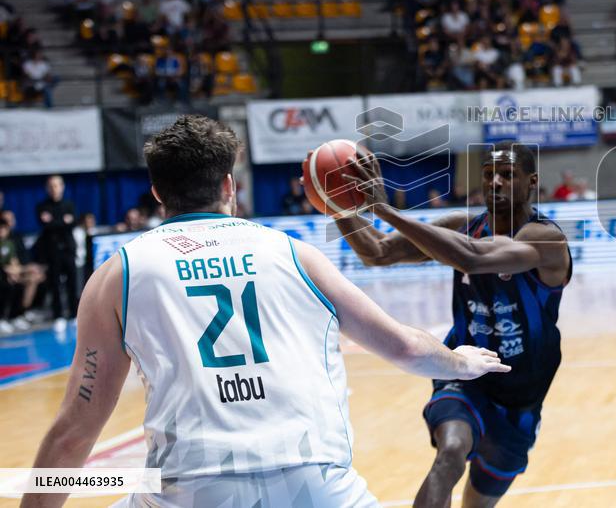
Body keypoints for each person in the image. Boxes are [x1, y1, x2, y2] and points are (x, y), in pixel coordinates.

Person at [25, 115, 508, 508]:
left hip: (193, 489)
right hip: (317, 484)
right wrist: (461, 361)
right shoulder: (294, 254)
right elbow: (404, 346)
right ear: (229, 185)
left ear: (156, 192)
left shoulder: (118, 274)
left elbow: (75, 430)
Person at [336, 141, 572, 507]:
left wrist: (383, 208)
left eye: (507, 175)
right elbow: (377, 252)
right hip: (464, 370)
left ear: (532, 183)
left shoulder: (546, 238)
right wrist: (335, 203)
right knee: (450, 452)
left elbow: (472, 258)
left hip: (520, 397)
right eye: (489, 174)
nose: (495, 183)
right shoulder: (463, 227)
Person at [35, 175, 78, 331]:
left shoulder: (69, 204)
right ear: (47, 188)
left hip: (68, 249)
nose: (54, 189)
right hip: (52, 251)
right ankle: (58, 316)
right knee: (55, 283)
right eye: (51, 186)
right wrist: (62, 221)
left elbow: (72, 223)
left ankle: (74, 314)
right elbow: (47, 225)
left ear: (62, 187)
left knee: (72, 283)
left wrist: (54, 221)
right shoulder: (42, 206)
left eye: (57, 185)